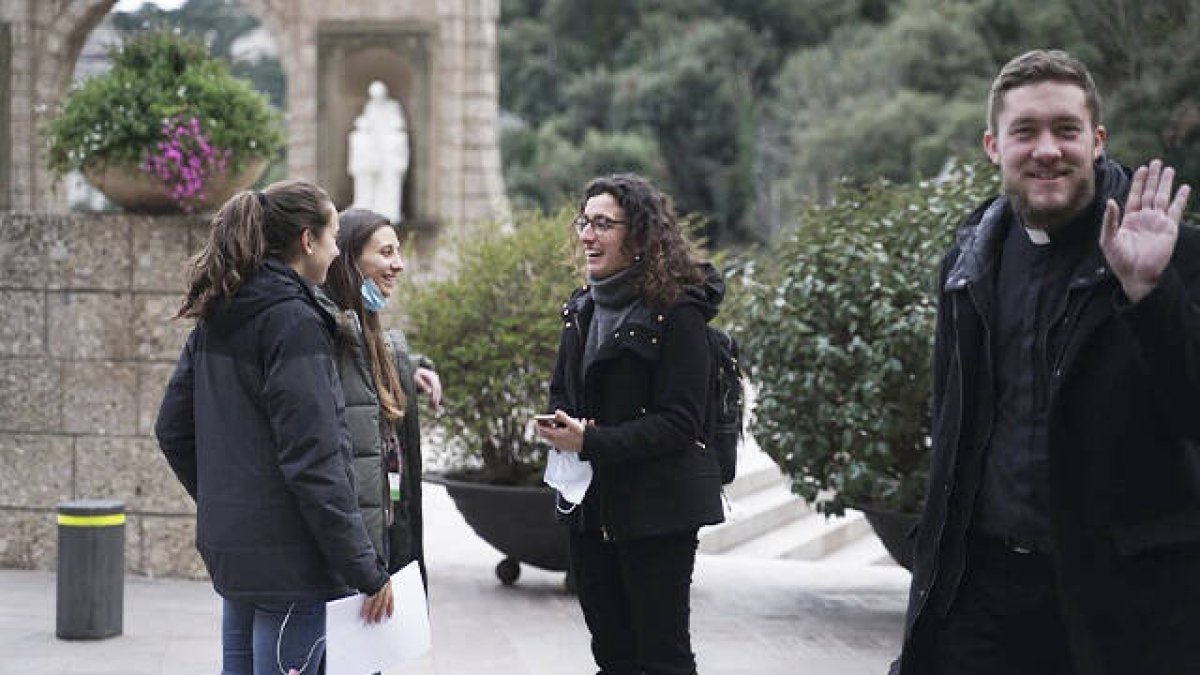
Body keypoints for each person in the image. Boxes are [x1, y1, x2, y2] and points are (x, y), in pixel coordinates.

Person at [894, 49, 1199, 675]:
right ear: (992, 145)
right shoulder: (966, 261)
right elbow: (953, 433)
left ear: (1097, 141)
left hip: (1121, 604)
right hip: (983, 592)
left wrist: (1148, 296)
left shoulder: (1175, 254)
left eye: (1066, 129)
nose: (1047, 150)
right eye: (1025, 131)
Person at [154, 180, 394, 675]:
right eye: (332, 238)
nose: (335, 254)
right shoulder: (294, 322)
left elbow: (172, 429)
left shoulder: (220, 311)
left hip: (239, 552)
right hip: (292, 564)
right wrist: (366, 571)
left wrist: (231, 504)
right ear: (307, 241)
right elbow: (315, 461)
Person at [536, 173, 726, 675]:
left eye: (603, 224)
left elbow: (682, 423)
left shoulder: (677, 312)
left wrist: (592, 439)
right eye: (585, 222)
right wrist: (562, 425)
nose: (587, 235)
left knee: (662, 658)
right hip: (591, 510)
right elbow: (563, 391)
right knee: (613, 654)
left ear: (638, 236)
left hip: (658, 512)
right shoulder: (581, 307)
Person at [320, 207, 442, 583]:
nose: (399, 265)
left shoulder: (365, 328)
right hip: (354, 547)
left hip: (383, 524)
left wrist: (413, 367)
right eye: (386, 253)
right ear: (350, 262)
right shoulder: (328, 333)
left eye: (398, 252)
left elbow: (376, 358)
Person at [348, 81, 409, 223]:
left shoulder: (393, 107)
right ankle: (371, 209)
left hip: (388, 154)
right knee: (370, 187)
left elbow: (401, 147)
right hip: (374, 153)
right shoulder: (369, 108)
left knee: (390, 187)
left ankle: (390, 211)